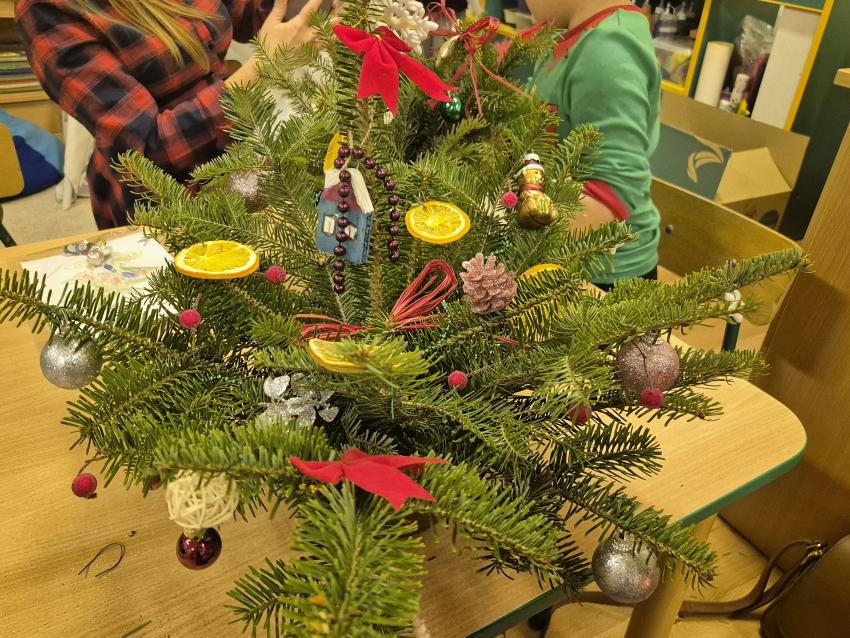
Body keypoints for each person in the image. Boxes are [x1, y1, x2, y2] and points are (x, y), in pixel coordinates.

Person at [16, 0, 327, 229]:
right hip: (161, 199)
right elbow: (147, 147)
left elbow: (254, 13)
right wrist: (263, 66)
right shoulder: (46, 9)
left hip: (240, 152)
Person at [526, 0, 661, 289]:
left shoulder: (608, 51)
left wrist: (507, 219)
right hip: (563, 257)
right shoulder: (569, 36)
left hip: (602, 281)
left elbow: (613, 195)